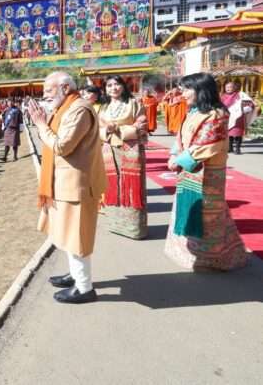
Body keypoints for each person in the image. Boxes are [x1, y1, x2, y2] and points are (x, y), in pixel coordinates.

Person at [27, 71, 106, 304]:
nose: (45, 96)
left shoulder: (78, 109)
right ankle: (75, 275)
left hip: (77, 185)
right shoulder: (65, 108)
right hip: (64, 183)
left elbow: (62, 145)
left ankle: (84, 288)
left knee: (77, 237)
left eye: (49, 91)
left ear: (64, 88)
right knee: (68, 234)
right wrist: (45, 121)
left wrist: (41, 125)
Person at [165, 73, 248, 270]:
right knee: (194, 208)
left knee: (209, 214)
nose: (182, 93)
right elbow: (180, 137)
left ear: (201, 90)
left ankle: (212, 258)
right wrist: (174, 154)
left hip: (208, 171)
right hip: (188, 168)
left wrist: (179, 160)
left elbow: (208, 144)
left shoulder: (217, 114)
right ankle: (191, 252)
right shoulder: (193, 111)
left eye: (186, 89)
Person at [97, 75, 149, 239]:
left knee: (131, 187)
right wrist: (106, 131)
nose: (113, 88)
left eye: (117, 84)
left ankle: (134, 228)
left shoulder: (134, 104)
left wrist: (118, 129)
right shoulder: (103, 108)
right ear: (105, 89)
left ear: (123, 87)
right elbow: (96, 130)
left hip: (130, 149)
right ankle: (115, 224)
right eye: (109, 85)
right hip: (109, 150)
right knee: (113, 185)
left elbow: (142, 126)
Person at [220, 81, 259, 155]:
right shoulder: (223, 96)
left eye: (230, 87)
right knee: (229, 133)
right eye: (226, 87)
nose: (228, 89)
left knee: (237, 133)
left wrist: (244, 109)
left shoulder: (241, 95)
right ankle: (230, 147)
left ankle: (238, 148)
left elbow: (250, 104)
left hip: (238, 118)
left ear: (234, 87)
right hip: (227, 117)